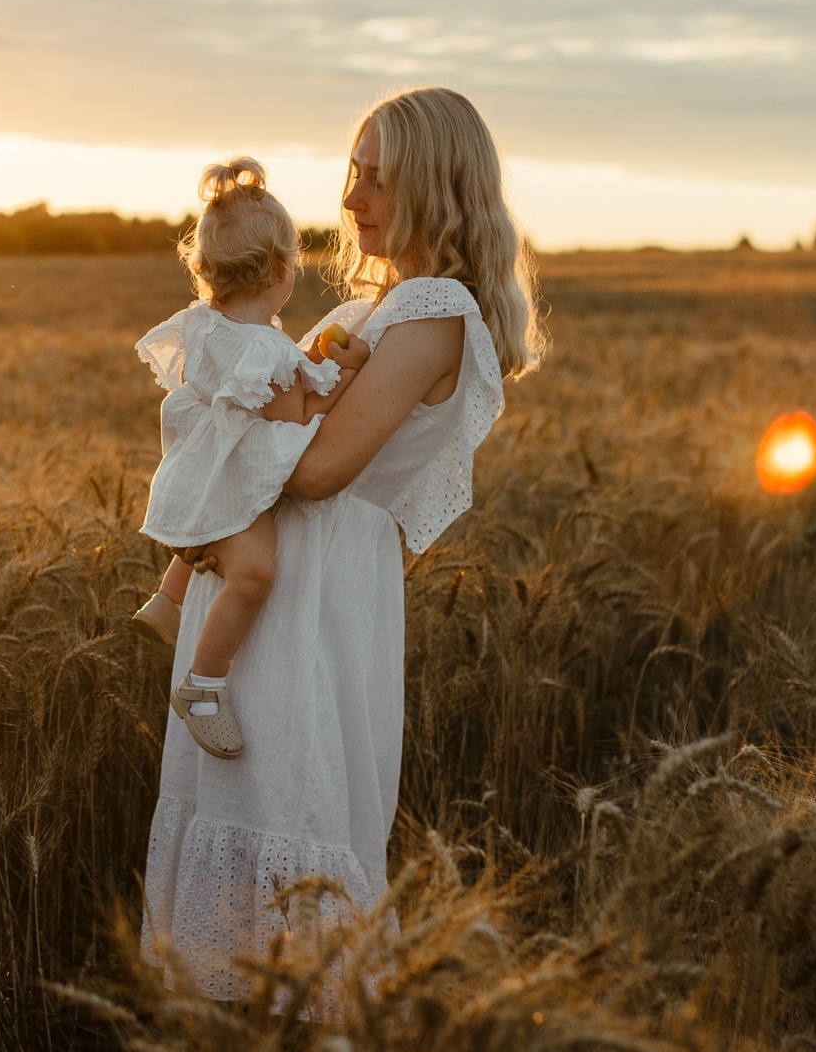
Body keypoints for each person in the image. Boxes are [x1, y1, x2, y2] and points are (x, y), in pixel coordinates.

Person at [141, 86, 544, 1005]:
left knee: (294, 800)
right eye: (352, 174)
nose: (352, 198)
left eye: (377, 178)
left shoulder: (434, 308)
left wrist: (227, 451)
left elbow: (321, 471)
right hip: (266, 580)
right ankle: (239, 1039)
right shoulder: (380, 305)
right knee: (244, 799)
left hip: (308, 596)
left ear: (437, 185)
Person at [131, 157, 373, 759]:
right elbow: (293, 434)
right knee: (255, 572)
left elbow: (248, 397)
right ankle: (203, 685)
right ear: (281, 271)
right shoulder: (269, 351)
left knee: (206, 527)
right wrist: (341, 379)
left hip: (202, 467)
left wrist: (306, 363)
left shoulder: (202, 326)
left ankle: (170, 597)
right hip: (236, 478)